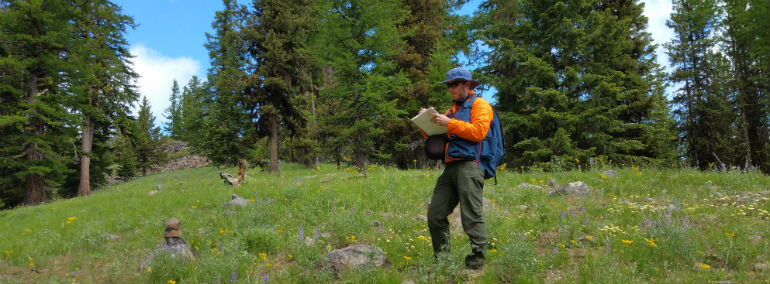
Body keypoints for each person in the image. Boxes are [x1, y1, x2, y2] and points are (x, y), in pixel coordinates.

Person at [420, 67, 492, 270]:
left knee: (471, 216)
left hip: (470, 166)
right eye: (449, 85)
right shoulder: (453, 110)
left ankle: (477, 263)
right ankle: (442, 260)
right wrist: (425, 121)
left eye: (454, 85)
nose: (450, 88)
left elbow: (478, 132)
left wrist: (449, 123)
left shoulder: (480, 104)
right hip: (450, 168)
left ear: (467, 85)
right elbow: (437, 135)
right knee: (435, 214)